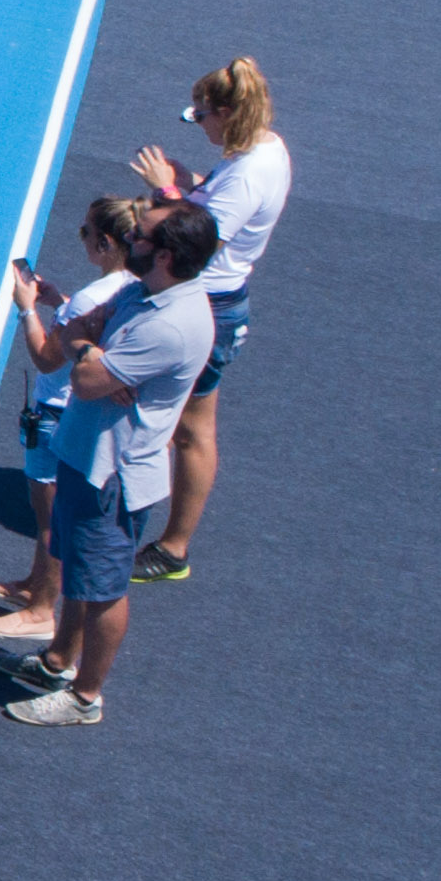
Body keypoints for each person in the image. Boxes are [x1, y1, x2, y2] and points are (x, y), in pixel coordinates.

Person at [0, 198, 219, 732]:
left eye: (139, 236)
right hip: (84, 455)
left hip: (111, 476)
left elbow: (85, 376)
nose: (129, 239)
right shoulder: (143, 291)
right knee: (77, 573)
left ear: (164, 255)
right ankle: (55, 663)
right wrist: (92, 345)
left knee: (104, 590)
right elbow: (78, 345)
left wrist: (90, 345)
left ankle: (85, 696)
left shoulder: (172, 324)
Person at [125, 58, 286, 581]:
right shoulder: (259, 150)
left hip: (207, 305)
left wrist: (164, 192)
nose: (200, 124)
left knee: (191, 431)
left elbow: (194, 241)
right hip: (206, 300)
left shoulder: (247, 174)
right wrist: (188, 181)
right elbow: (210, 203)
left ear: (225, 112)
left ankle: (172, 548)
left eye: (202, 116)